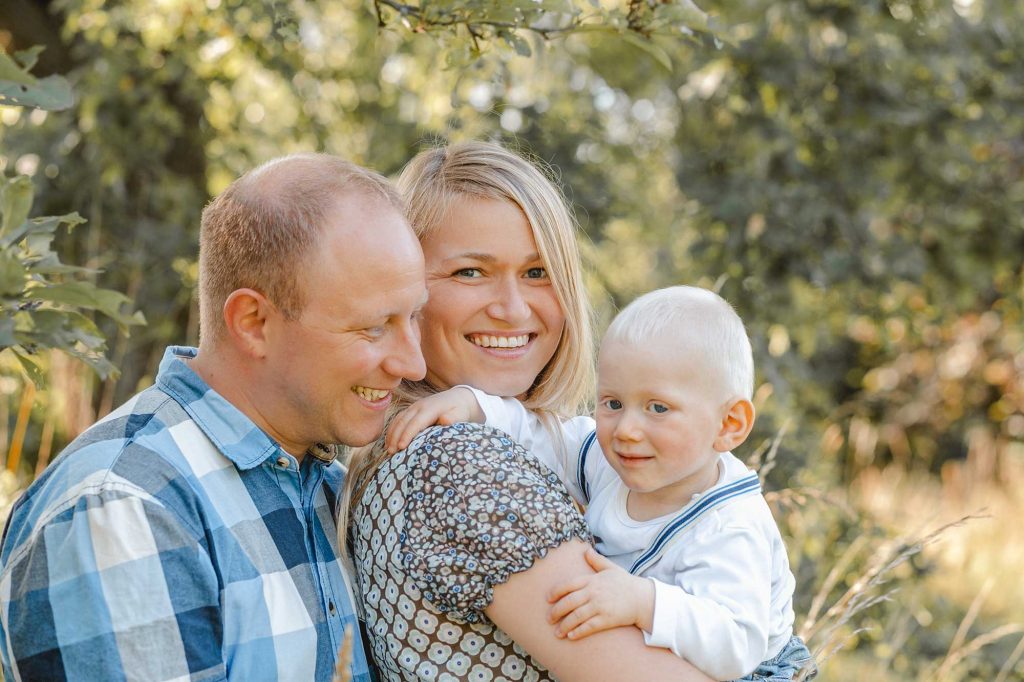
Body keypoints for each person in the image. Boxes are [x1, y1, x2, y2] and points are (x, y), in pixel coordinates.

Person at [0, 154, 428, 682]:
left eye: (414, 316)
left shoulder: (334, 489)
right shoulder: (121, 509)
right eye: (373, 328)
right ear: (253, 322)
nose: (414, 363)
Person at [344, 141, 712, 681]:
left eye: (538, 272)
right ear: (402, 289)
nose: (513, 308)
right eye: (471, 272)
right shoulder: (459, 464)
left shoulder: (534, 444)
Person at [389, 286, 816, 681]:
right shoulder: (611, 461)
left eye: (658, 408)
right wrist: (475, 406)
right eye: (613, 402)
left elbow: (737, 642)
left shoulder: (728, 526)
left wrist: (643, 601)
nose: (626, 428)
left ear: (729, 424)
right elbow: (546, 436)